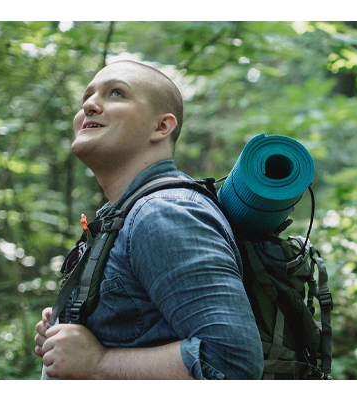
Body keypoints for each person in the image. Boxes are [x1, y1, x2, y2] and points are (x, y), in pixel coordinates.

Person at [33, 60, 264, 380]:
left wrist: (97, 363)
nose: (89, 104)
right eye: (86, 96)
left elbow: (232, 363)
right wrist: (68, 333)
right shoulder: (122, 213)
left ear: (161, 127)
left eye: (116, 93)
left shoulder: (164, 213)